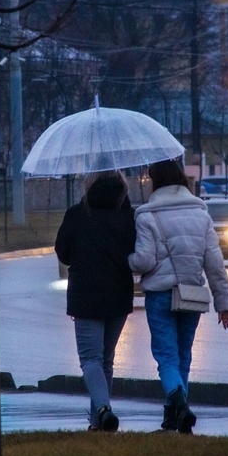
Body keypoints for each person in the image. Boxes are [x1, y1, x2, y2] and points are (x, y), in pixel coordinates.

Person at [129, 160, 228, 434]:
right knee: (183, 356)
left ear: (155, 183)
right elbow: (215, 265)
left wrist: (125, 259)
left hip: (160, 296)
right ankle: (173, 415)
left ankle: (179, 406)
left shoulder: (146, 216)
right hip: (192, 295)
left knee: (166, 357)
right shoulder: (202, 215)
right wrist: (224, 304)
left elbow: (143, 261)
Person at [55, 170, 136, 432]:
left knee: (90, 360)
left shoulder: (78, 214)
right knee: (106, 360)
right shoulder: (128, 216)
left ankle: (102, 409)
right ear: (122, 186)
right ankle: (97, 422)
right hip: (119, 295)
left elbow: (63, 253)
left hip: (86, 296)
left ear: (89, 184)